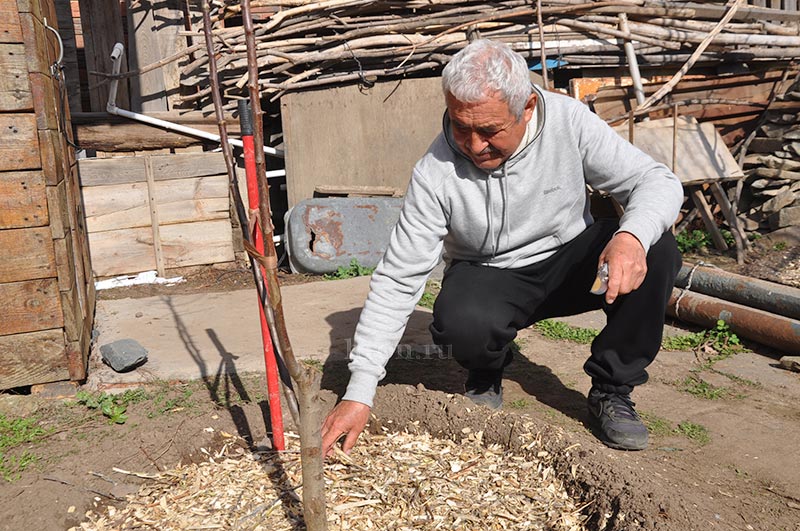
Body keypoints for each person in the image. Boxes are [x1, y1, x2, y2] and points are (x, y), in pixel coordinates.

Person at [322, 39, 682, 452]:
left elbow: (656, 181)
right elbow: (398, 278)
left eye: (490, 131)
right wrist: (359, 390)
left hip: (572, 259)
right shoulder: (434, 172)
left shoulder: (568, 121)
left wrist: (630, 236)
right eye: (462, 127)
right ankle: (484, 371)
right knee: (462, 322)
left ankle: (612, 389)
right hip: (491, 272)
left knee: (656, 249)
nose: (474, 146)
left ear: (527, 108)